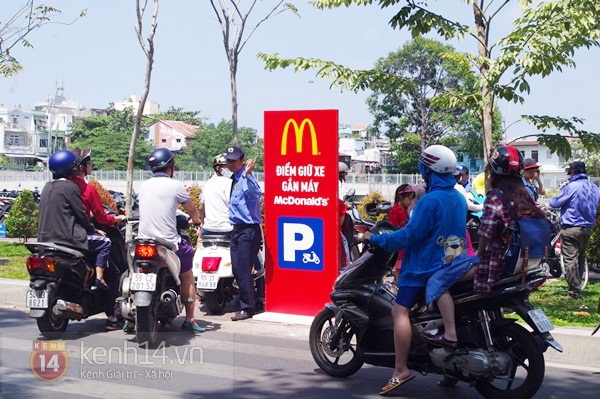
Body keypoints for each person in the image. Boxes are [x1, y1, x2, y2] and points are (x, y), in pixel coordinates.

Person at [362, 145, 467, 395]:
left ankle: (400, 369)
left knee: (400, 311)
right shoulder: (458, 197)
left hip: (424, 268)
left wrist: (375, 238)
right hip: (454, 264)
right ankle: (450, 370)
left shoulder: (429, 201)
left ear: (428, 170)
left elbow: (408, 236)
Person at [137, 148, 205, 333]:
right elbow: (191, 211)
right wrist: (197, 220)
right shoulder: (175, 186)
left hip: (143, 241)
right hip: (169, 243)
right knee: (187, 274)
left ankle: (129, 316)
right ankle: (190, 319)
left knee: (134, 270)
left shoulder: (143, 186)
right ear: (170, 167)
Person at [471, 146, 548, 293]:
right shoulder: (524, 195)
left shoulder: (495, 196)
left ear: (494, 172)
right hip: (526, 263)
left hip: (498, 262)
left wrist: (478, 254)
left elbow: (486, 232)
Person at [69, 151, 126, 330]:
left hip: (62, 236)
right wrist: (116, 219)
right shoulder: (87, 189)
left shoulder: (59, 188)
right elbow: (101, 216)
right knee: (114, 273)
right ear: (82, 167)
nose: (91, 166)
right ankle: (111, 316)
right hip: (82, 238)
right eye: (89, 163)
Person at [549, 161, 600, 299]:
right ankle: (577, 287)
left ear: (572, 172)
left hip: (571, 227)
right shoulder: (594, 188)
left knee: (570, 259)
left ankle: (574, 292)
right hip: (587, 228)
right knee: (580, 258)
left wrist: (561, 190)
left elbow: (554, 203)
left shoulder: (571, 187)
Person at [225, 146, 263, 321]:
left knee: (244, 269)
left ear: (242, 161)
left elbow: (255, 195)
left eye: (234, 160)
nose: (230, 163)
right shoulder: (234, 179)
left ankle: (247, 308)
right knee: (237, 269)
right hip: (237, 229)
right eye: (229, 160)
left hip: (248, 229)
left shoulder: (247, 178)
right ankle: (254, 301)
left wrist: (248, 175)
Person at [38, 150, 96, 253]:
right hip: (67, 239)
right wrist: (92, 229)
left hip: (43, 239)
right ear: (72, 169)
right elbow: (81, 214)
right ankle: (96, 269)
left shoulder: (47, 186)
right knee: (105, 242)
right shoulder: (70, 187)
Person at [197, 153, 233, 237]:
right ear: (218, 168)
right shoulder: (230, 182)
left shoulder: (208, 183)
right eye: (226, 166)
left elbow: (201, 207)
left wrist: (203, 224)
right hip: (228, 229)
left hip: (208, 229)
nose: (229, 168)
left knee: (200, 240)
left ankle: (197, 250)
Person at [388, 184, 415, 280]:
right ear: (401, 197)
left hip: (404, 245)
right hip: (399, 247)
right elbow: (393, 229)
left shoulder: (404, 210)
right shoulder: (396, 211)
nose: (411, 202)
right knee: (399, 272)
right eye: (410, 199)